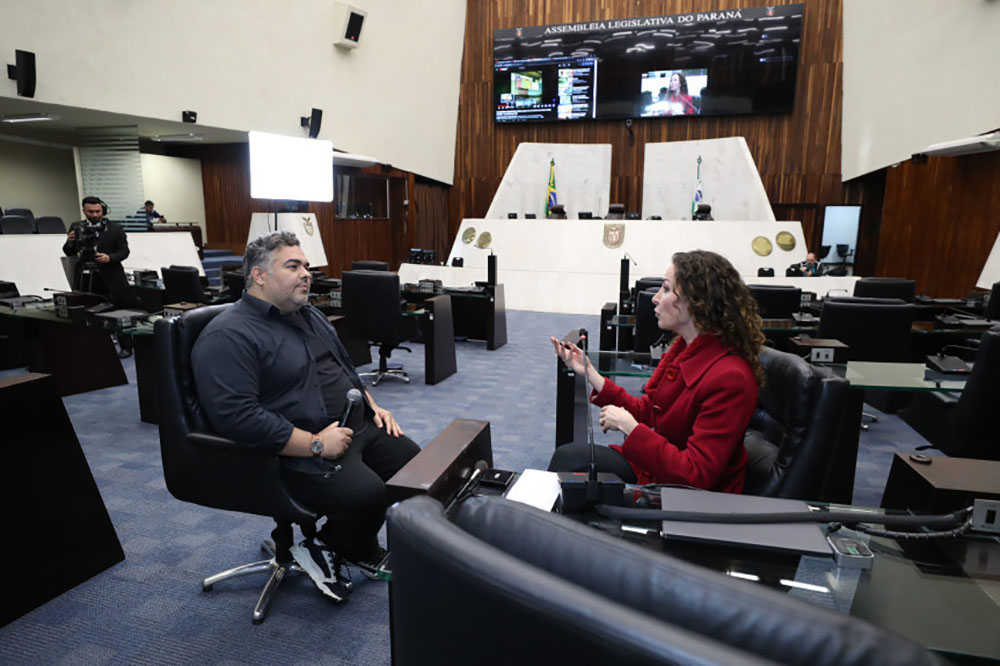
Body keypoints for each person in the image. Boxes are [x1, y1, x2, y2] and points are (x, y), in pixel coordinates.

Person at [191, 230, 420, 602]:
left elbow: (343, 370)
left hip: (353, 425)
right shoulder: (228, 336)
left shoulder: (308, 315)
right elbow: (238, 418)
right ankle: (337, 547)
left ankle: (334, 545)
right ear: (259, 275)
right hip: (294, 448)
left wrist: (373, 405)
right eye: (293, 266)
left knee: (416, 474)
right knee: (366, 495)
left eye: (306, 266)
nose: (306, 274)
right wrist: (316, 445)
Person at [548, 250, 764, 493]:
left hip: (688, 499)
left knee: (570, 466)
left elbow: (696, 476)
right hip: (659, 470)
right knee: (569, 460)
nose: (655, 298)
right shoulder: (684, 348)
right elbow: (648, 409)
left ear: (695, 302)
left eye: (666, 289)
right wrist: (590, 373)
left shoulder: (731, 378)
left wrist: (630, 428)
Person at [63, 196, 134, 308]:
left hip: (111, 278)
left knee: (118, 309)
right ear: (84, 211)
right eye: (90, 212)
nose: (95, 215)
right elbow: (68, 252)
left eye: (98, 211)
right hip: (85, 278)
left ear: (103, 211)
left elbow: (124, 251)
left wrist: (109, 258)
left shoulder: (115, 228)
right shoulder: (76, 226)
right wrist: (70, 242)